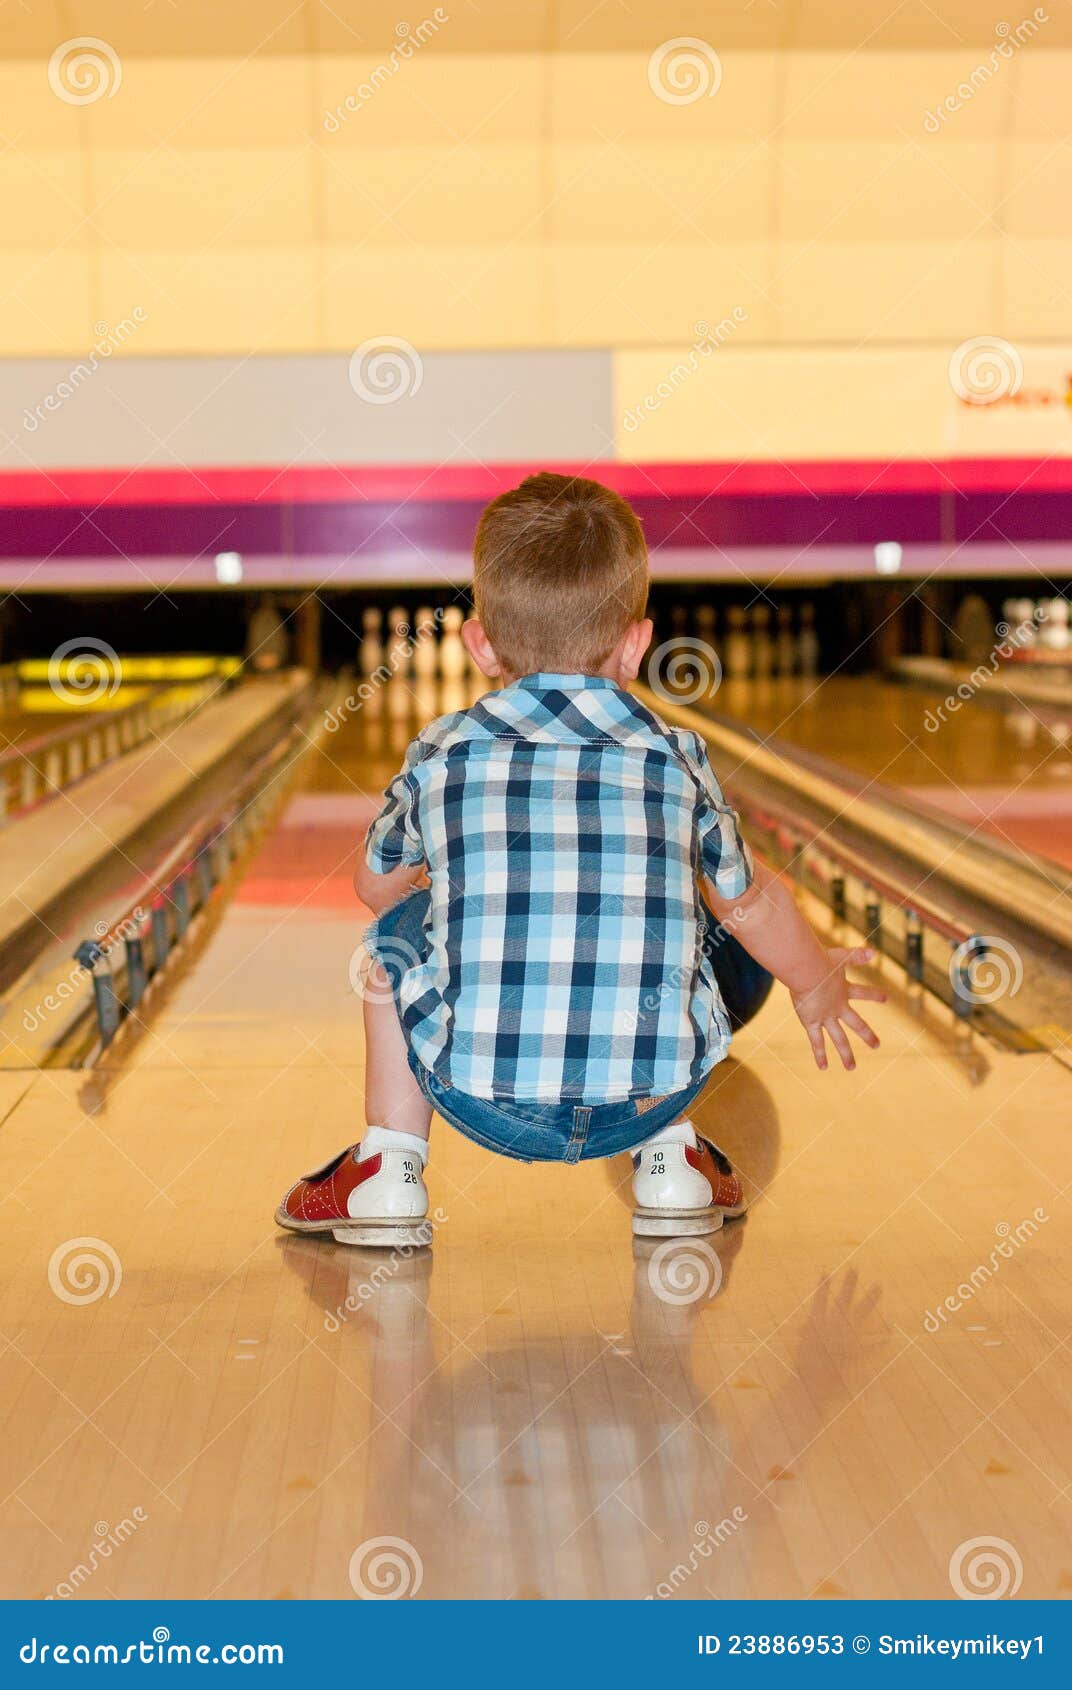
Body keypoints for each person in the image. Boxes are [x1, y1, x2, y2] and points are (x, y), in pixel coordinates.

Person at [276, 475, 884, 1248]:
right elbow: (754, 904)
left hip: (476, 1098)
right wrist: (815, 981)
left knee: (393, 934)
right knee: (709, 906)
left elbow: (374, 887)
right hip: (647, 1100)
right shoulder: (676, 754)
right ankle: (671, 1165)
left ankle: (389, 1171)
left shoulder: (441, 751)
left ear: (479, 645)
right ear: (637, 645)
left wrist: (454, 885)